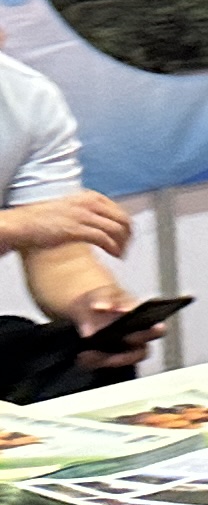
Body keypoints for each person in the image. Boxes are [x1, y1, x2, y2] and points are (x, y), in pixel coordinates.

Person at [0, 51, 157, 391]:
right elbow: (33, 225)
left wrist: (96, 302)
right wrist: (16, 226)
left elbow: (60, 259)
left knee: (87, 355)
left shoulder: (27, 97)